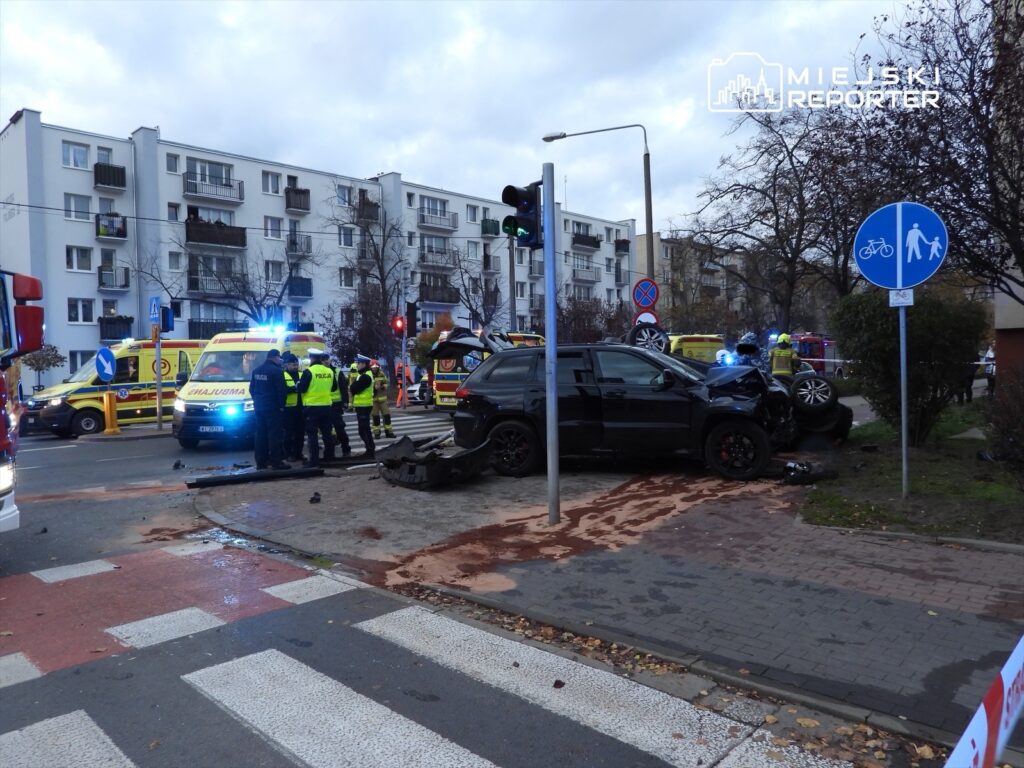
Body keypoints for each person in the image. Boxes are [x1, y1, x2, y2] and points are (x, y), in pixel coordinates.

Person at [248, 349, 289, 470]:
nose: (280, 360)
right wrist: (281, 406)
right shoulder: (276, 371)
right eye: (279, 358)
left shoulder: (257, 370)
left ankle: (261, 462)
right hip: (273, 408)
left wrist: (257, 401)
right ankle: (276, 462)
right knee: (274, 435)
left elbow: (252, 389)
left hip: (259, 407)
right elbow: (282, 391)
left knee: (261, 435)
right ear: (275, 357)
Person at [297, 348, 336, 468]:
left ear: (311, 358)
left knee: (312, 434)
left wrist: (298, 385)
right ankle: (330, 456)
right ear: (320, 358)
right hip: (326, 406)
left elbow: (301, 389)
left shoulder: (308, 372)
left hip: (312, 407)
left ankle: (314, 460)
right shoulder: (329, 371)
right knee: (327, 433)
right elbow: (334, 387)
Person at [349, 354, 376, 458]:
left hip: (364, 406)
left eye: (358, 363)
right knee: (364, 429)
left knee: (363, 430)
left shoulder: (365, 376)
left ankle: (370, 450)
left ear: (364, 364)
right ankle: (370, 449)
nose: (356, 365)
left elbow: (354, 388)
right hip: (362, 405)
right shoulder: (363, 374)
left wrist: (352, 386)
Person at [281, 352, 305, 462]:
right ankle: (288, 454)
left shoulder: (302, 374)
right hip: (288, 409)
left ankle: (298, 453)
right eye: (292, 364)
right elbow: (281, 390)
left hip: (301, 408)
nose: (295, 367)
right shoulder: (282, 375)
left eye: (296, 364)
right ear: (286, 365)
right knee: (288, 434)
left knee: (300, 433)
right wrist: (294, 389)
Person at [327, 357, 352, 457]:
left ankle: (346, 449)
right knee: (327, 430)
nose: (325, 361)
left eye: (327, 359)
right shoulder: (321, 372)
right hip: (324, 404)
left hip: (336, 404)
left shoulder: (337, 371)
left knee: (339, 427)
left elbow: (343, 387)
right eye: (323, 359)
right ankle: (330, 453)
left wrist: (345, 402)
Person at [370, 359, 394, 439]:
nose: (374, 368)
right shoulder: (369, 375)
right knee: (375, 417)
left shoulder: (381, 374)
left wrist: (383, 386)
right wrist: (374, 387)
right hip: (374, 400)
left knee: (387, 416)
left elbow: (387, 383)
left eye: (375, 367)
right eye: (373, 367)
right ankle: (377, 433)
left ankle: (389, 432)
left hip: (383, 399)